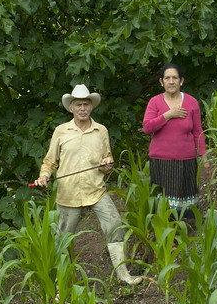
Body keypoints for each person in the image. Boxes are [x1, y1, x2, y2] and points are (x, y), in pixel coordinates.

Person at [31, 82, 142, 286]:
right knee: (63, 239)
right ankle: (61, 284)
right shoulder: (61, 131)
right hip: (68, 194)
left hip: (96, 191)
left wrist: (107, 166)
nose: (82, 108)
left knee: (115, 224)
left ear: (91, 107)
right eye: (78, 105)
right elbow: (49, 161)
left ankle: (123, 274)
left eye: (86, 104)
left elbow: (106, 161)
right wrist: (44, 175)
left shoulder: (101, 131)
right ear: (71, 108)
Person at [142, 61, 206, 231]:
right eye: (167, 78)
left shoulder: (191, 103)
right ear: (161, 82)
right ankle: (169, 237)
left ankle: (190, 235)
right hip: (162, 161)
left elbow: (198, 132)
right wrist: (168, 115)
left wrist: (204, 156)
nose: (171, 81)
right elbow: (147, 127)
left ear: (181, 81)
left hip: (187, 160)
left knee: (186, 199)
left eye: (175, 78)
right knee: (165, 201)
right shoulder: (155, 102)